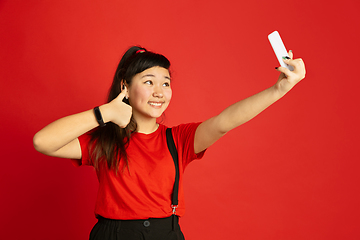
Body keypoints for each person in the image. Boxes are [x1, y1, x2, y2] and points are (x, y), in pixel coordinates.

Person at [33, 46, 306, 240]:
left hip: (167, 233)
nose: (159, 92)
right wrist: (104, 114)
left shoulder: (178, 139)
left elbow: (225, 121)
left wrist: (278, 89)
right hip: (113, 235)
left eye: (165, 83)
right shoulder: (105, 142)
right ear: (125, 87)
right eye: (148, 81)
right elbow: (43, 142)